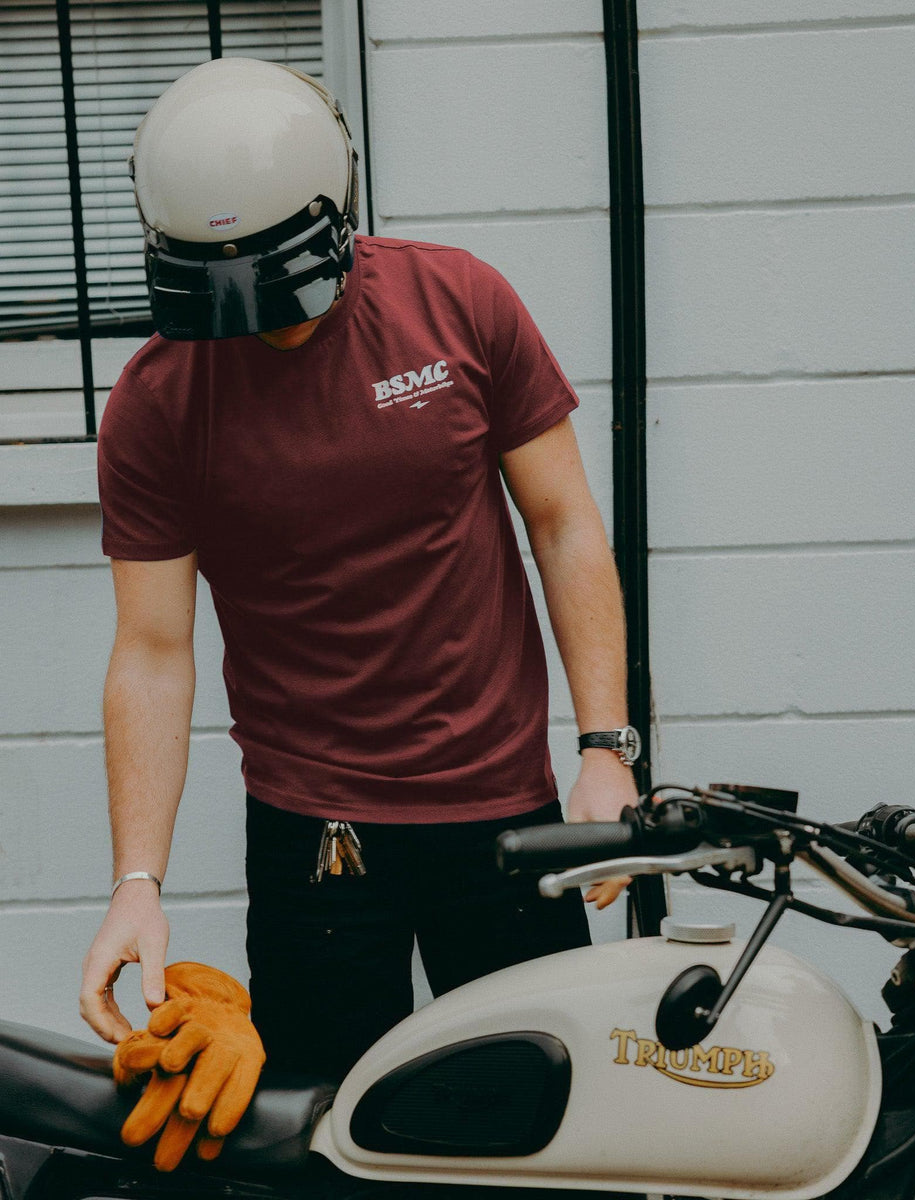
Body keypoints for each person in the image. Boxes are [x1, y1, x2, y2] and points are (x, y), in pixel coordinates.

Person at [79, 57, 640, 1078]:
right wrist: (136, 882)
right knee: (324, 1145)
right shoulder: (157, 403)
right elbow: (153, 650)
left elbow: (563, 524)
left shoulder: (459, 303)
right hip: (314, 836)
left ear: (334, 210)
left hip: (502, 806)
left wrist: (606, 747)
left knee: (542, 1129)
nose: (267, 317)